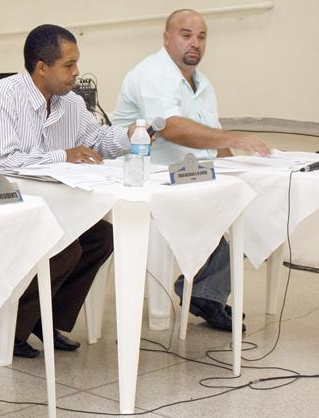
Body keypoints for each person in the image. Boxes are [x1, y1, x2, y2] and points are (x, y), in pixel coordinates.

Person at [0, 24, 133, 358]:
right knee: (64, 245)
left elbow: (97, 140)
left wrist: (133, 135)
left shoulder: (71, 103)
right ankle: (12, 329)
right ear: (42, 67)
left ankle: (44, 318)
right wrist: (63, 155)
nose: (77, 72)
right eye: (69, 65)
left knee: (101, 237)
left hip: (44, 197)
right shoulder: (1, 97)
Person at [114, 9, 270, 331]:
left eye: (201, 36)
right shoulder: (154, 73)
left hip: (192, 177)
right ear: (166, 38)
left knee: (256, 206)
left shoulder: (202, 84)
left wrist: (241, 168)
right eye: (186, 35)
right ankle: (203, 293)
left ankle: (204, 292)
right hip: (150, 180)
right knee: (233, 211)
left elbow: (212, 139)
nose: (195, 43)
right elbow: (171, 127)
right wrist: (235, 138)